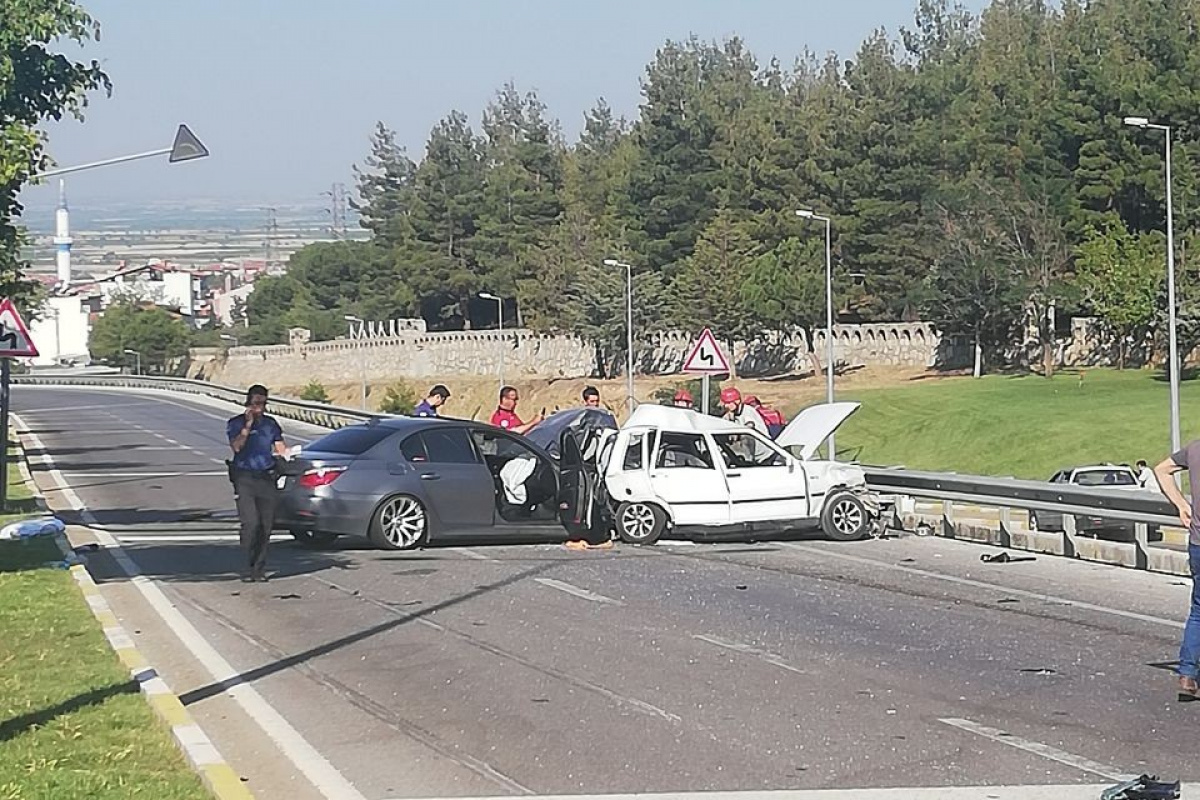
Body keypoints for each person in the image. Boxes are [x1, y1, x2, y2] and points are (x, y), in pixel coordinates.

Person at [1152, 448, 1200, 700]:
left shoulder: (1194, 449)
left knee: (1199, 610)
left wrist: (1182, 505)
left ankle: (1188, 672)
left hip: (1198, 543)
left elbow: (1161, 470)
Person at [226, 384, 287, 582]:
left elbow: (280, 447)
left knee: (265, 526)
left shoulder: (270, 424)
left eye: (262, 402)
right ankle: (247, 563)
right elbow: (236, 447)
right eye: (256, 402)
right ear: (249, 402)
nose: (259, 406)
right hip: (245, 477)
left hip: (266, 477)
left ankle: (258, 568)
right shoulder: (235, 423)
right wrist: (248, 426)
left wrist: (289, 454)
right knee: (251, 523)